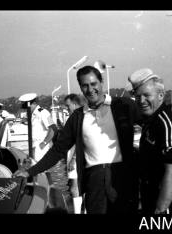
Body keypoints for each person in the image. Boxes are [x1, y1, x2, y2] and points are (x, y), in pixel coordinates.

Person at [14, 66, 141, 214]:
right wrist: (29, 172)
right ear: (80, 87)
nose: (90, 89)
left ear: (102, 82)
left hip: (123, 180)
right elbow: (58, 150)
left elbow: (151, 123)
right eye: (85, 85)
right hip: (94, 183)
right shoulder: (77, 117)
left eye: (94, 84)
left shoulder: (124, 105)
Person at [128, 68, 172, 214]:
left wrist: (160, 209)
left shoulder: (166, 123)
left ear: (161, 95)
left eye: (147, 95)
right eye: (138, 96)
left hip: (167, 206)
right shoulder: (151, 120)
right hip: (151, 199)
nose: (141, 101)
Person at [18, 93, 57, 162]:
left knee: (42, 170)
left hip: (42, 148)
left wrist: (43, 144)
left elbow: (53, 129)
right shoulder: (31, 115)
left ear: (33, 103)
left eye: (27, 106)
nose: (26, 109)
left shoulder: (43, 112)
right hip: (34, 147)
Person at [63, 93, 85, 213]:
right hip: (72, 155)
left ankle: (78, 212)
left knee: (74, 187)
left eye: (68, 106)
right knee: (76, 186)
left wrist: (73, 159)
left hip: (76, 157)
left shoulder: (79, 118)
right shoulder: (75, 117)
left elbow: (80, 140)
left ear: (75, 104)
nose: (67, 109)